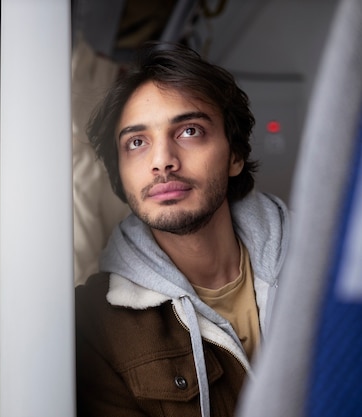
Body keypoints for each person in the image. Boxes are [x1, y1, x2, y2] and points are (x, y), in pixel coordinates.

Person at [75, 42, 290, 417]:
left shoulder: (327, 270)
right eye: (137, 142)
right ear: (120, 175)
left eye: (189, 131)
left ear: (235, 156)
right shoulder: (96, 327)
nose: (162, 162)